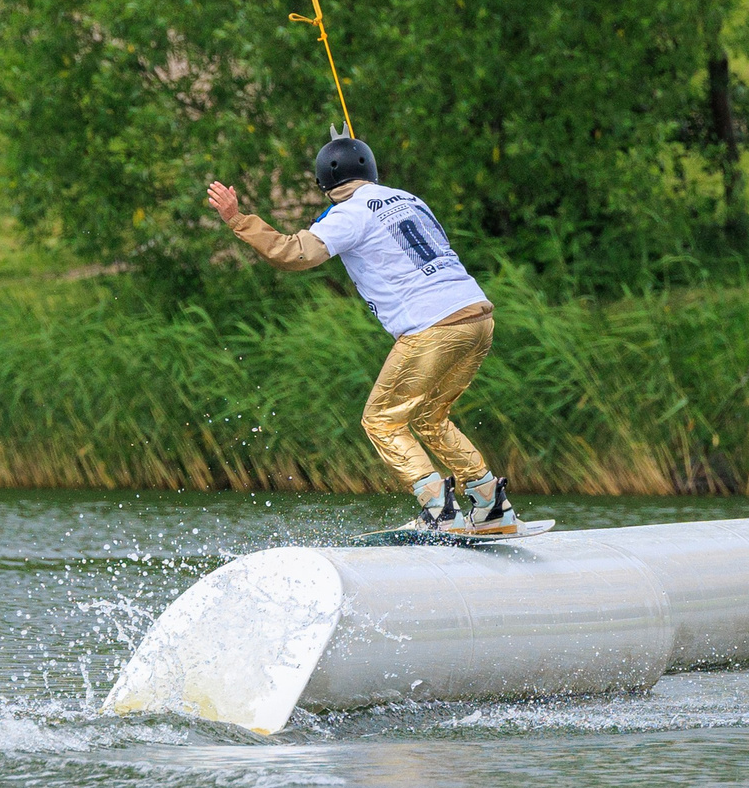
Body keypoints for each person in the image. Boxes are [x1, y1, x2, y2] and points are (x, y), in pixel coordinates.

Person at [204, 132, 517, 534]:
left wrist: (237, 219)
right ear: (369, 168)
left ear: (325, 185)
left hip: (432, 326)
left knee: (381, 421)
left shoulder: (348, 213)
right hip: (477, 316)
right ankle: (491, 504)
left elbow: (293, 253)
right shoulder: (409, 199)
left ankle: (439, 510)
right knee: (430, 417)